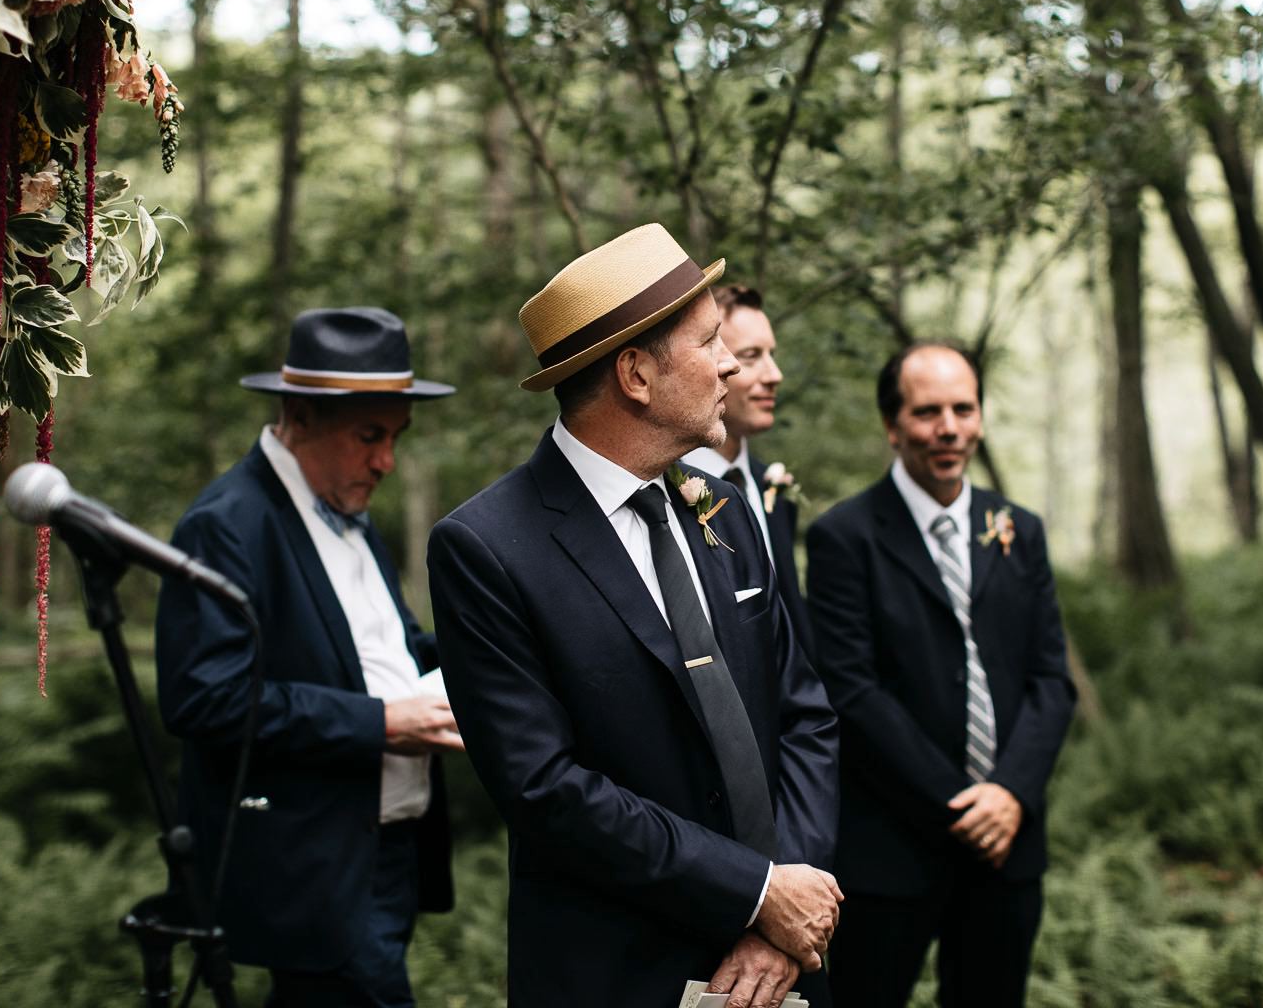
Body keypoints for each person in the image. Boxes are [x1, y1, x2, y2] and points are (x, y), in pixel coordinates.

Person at [427, 224, 842, 1008]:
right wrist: (753, 893)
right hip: (621, 976)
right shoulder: (487, 549)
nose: (731, 365)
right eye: (711, 342)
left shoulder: (722, 505)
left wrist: (790, 908)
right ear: (636, 375)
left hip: (789, 965)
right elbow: (546, 789)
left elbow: (806, 715)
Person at [155, 307, 464, 1008]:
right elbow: (206, 699)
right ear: (300, 415)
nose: (387, 460)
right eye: (369, 437)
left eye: (395, 439)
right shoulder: (226, 525)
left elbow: (390, 646)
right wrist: (384, 722)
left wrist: (480, 668)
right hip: (312, 869)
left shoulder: (349, 507)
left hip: (386, 855)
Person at [807, 342, 1076, 1008]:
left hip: (1007, 848)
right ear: (893, 427)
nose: (949, 427)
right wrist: (963, 805)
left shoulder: (1018, 530)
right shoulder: (845, 536)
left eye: (964, 408)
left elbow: (1050, 680)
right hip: (892, 852)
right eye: (928, 412)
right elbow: (852, 691)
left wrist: (1010, 793)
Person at [679, 285, 811, 656]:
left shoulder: (775, 489)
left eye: (773, 355)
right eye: (752, 356)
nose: (775, 374)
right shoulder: (666, 495)